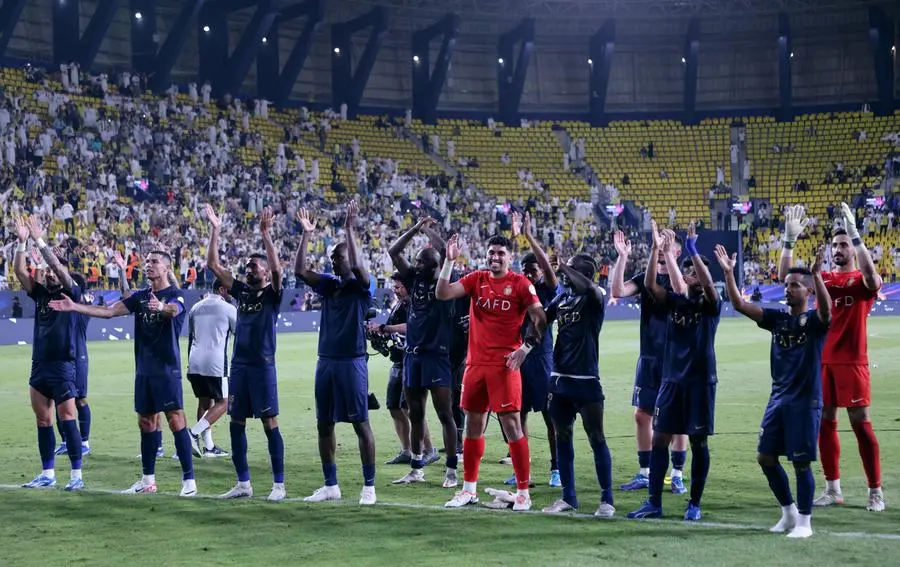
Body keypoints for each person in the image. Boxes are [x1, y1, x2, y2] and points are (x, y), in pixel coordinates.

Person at [50, 250, 197, 497]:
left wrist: (161, 306)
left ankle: (189, 481)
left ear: (166, 268)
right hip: (144, 371)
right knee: (146, 422)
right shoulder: (140, 297)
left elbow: (174, 310)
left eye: (154, 262)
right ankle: (148, 481)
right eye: (147, 261)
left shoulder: (175, 294)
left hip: (166, 370)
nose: (148, 265)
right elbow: (109, 312)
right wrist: (75, 306)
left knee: (175, 420)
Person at [718, 243, 830, 539]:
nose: (788, 289)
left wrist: (818, 275)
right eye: (786, 284)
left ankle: (805, 522)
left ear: (809, 291)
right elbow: (740, 305)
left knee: (801, 462)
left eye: (795, 285)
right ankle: (789, 513)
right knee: (765, 457)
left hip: (805, 401)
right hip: (778, 399)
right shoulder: (777, 319)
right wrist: (728, 274)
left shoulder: (815, 322)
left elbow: (827, 312)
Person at [777, 203, 885, 512]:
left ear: (853, 250)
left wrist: (856, 235)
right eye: (835, 245)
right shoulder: (820, 278)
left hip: (852, 362)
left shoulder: (860, 281)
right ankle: (832, 488)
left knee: (861, 425)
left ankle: (875, 491)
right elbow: (785, 276)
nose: (838, 249)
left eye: (844, 245)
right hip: (821, 362)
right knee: (825, 424)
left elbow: (873, 279)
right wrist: (788, 241)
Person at [436, 234, 546, 511]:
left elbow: (540, 318)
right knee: (473, 426)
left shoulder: (520, 284)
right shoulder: (477, 279)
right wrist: (449, 261)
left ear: (510, 256)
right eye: (491, 252)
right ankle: (469, 490)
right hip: (475, 365)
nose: (495, 257)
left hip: (504, 365)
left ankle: (523, 493)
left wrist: (525, 349)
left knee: (512, 426)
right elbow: (443, 293)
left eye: (500, 253)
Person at [628, 222, 720, 521]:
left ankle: (694, 503)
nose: (695, 275)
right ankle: (653, 502)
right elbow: (651, 285)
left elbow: (708, 286)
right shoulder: (675, 303)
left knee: (699, 442)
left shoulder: (711, 305)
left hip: (700, 383)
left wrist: (691, 249)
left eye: (699, 272)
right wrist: (657, 249)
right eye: (691, 271)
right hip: (671, 381)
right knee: (659, 440)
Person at [296, 201, 378, 506]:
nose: (333, 262)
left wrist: (349, 229)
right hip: (326, 362)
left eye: (338, 257)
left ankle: (369, 486)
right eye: (331, 257)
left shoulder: (363, 286)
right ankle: (330, 485)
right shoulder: (329, 285)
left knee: (360, 423)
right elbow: (300, 271)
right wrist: (306, 234)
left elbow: (358, 268)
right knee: (324, 423)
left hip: (352, 362)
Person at [205, 205, 286, 501]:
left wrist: (266, 234)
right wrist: (215, 229)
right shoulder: (241, 292)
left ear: (263, 271)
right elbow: (213, 265)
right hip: (239, 366)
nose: (248, 269)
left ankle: (278, 485)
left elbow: (277, 270)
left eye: (253, 266)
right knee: (236, 422)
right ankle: (243, 484)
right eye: (247, 266)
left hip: (263, 366)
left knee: (269, 422)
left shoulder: (273, 294)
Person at [611, 229, 689, 494]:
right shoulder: (645, 278)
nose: (663, 248)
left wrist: (664, 252)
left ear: (677, 251)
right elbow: (617, 290)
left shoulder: (685, 278)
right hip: (649, 357)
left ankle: (677, 474)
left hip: (676, 359)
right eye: (660, 244)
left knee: (677, 417)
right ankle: (645, 473)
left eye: (669, 245)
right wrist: (622, 257)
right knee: (641, 415)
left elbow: (681, 291)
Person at [540, 254, 615, 518]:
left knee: (597, 437)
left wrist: (562, 265)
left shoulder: (595, 297)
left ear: (580, 273)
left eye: (570, 269)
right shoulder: (562, 298)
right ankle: (568, 497)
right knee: (562, 437)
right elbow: (542, 319)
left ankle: (607, 501)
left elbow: (591, 288)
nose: (564, 273)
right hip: (559, 379)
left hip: (586, 380)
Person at [14, 215, 85, 491]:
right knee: (42, 420)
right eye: (48, 272)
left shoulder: (72, 292)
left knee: (67, 419)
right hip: (39, 366)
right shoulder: (41, 295)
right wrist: (22, 243)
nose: (51, 274)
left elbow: (57, 266)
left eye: (56, 271)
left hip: (63, 366)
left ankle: (76, 475)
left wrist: (40, 241)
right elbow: (20, 272)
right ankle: (47, 474)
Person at [388, 216, 459, 488]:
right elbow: (394, 251)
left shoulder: (447, 281)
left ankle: (451, 471)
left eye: (421, 262)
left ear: (434, 265)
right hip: (413, 356)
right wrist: (416, 229)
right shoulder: (414, 279)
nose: (416, 265)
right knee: (415, 413)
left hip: (436, 356)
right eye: (416, 261)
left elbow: (444, 251)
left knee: (445, 415)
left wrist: (430, 231)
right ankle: (416, 468)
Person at [507, 211, 560, 488]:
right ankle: (522, 469)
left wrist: (528, 237)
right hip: (520, 358)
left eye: (533, 270)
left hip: (542, 359)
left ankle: (556, 468)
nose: (529, 274)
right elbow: (506, 268)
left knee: (550, 417)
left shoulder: (547, 289)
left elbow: (550, 272)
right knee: (518, 414)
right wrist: (514, 239)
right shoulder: (519, 287)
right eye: (525, 270)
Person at [184, 278, 237, 459]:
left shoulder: (195, 308)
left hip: (194, 361)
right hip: (215, 362)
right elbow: (239, 332)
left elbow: (191, 337)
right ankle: (192, 433)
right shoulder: (228, 309)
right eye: (230, 290)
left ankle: (209, 447)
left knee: (205, 402)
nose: (233, 294)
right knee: (225, 402)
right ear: (222, 289)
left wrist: (189, 363)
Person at [373, 273, 413, 465]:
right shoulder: (398, 305)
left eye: (398, 287)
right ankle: (406, 450)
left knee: (410, 409)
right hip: (397, 361)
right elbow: (391, 329)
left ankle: (424, 449)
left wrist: (386, 328)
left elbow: (411, 326)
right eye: (394, 287)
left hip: (410, 361)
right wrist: (378, 333)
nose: (395, 290)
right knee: (394, 407)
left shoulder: (414, 305)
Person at [54, 272, 92, 459]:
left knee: (80, 400)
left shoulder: (82, 308)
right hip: (59, 359)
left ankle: (84, 442)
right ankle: (65, 441)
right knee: (59, 400)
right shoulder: (59, 305)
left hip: (78, 359)